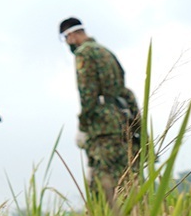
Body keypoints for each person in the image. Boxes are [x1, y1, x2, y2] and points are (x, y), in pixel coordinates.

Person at [58, 18, 141, 191]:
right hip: (123, 120)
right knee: (129, 179)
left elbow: (87, 94)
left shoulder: (84, 54)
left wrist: (83, 126)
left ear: (71, 35)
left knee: (103, 185)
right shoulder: (106, 52)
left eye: (66, 39)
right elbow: (123, 89)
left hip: (102, 127)